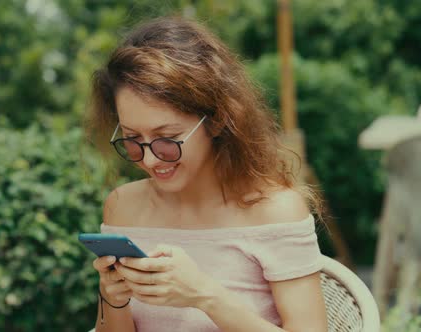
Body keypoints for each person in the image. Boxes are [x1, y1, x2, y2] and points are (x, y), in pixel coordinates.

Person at [86, 15, 328, 332]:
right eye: (132, 140)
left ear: (216, 121)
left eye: (167, 139)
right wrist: (112, 297)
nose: (149, 159)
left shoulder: (274, 211)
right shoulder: (123, 207)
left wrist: (205, 296)